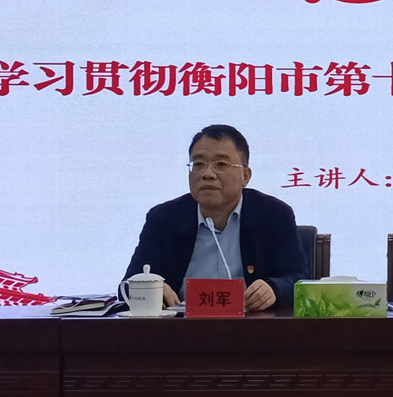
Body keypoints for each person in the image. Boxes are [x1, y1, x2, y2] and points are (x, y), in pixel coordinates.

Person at [121, 125, 308, 311]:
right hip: (182, 326)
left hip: (252, 325)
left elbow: (298, 279)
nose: (207, 174)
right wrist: (148, 288)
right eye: (198, 164)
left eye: (221, 165)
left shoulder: (273, 214)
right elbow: (127, 285)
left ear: (245, 176)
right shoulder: (164, 218)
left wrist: (274, 289)